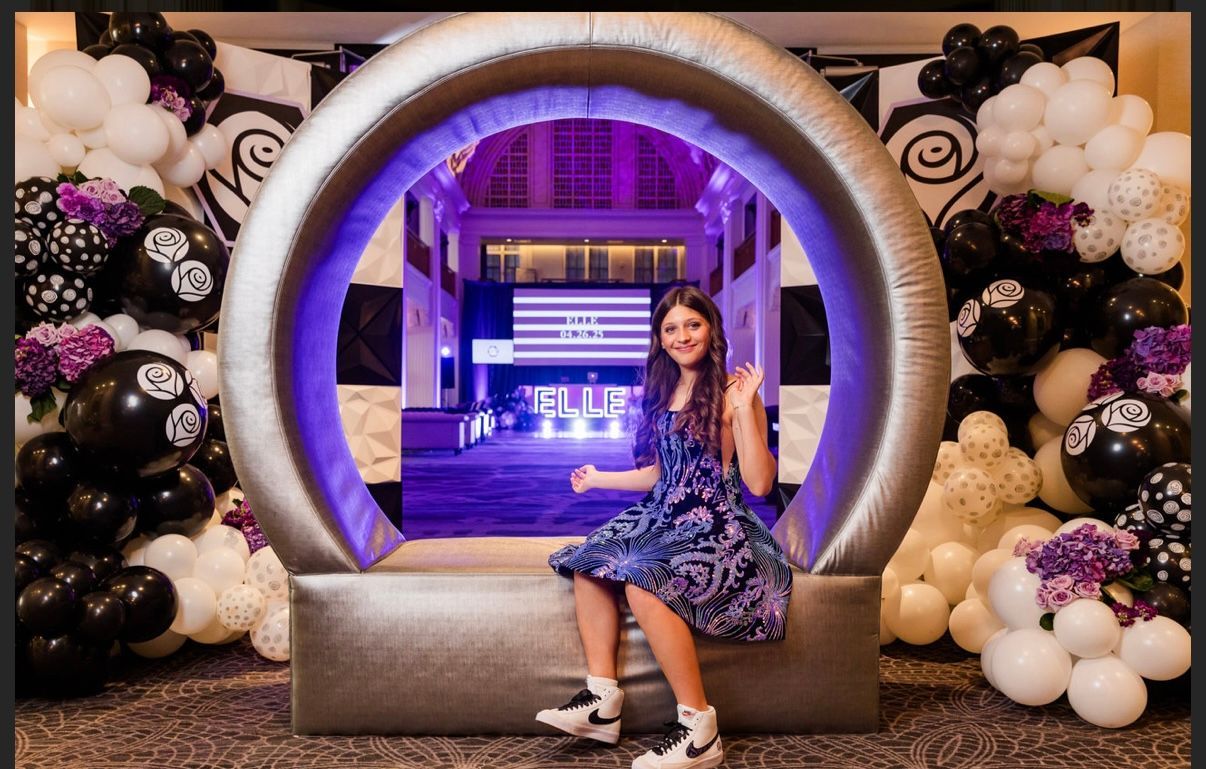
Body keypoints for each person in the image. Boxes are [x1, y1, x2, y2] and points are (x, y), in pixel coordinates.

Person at [536, 286, 793, 769]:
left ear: (711, 329)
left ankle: (699, 727)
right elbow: (660, 473)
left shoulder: (735, 392)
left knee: (644, 577)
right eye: (671, 328)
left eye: (692, 324)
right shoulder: (665, 393)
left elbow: (760, 483)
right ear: (660, 338)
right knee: (591, 560)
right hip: (664, 512)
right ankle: (602, 701)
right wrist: (598, 479)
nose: (682, 336)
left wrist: (743, 408)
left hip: (716, 522)